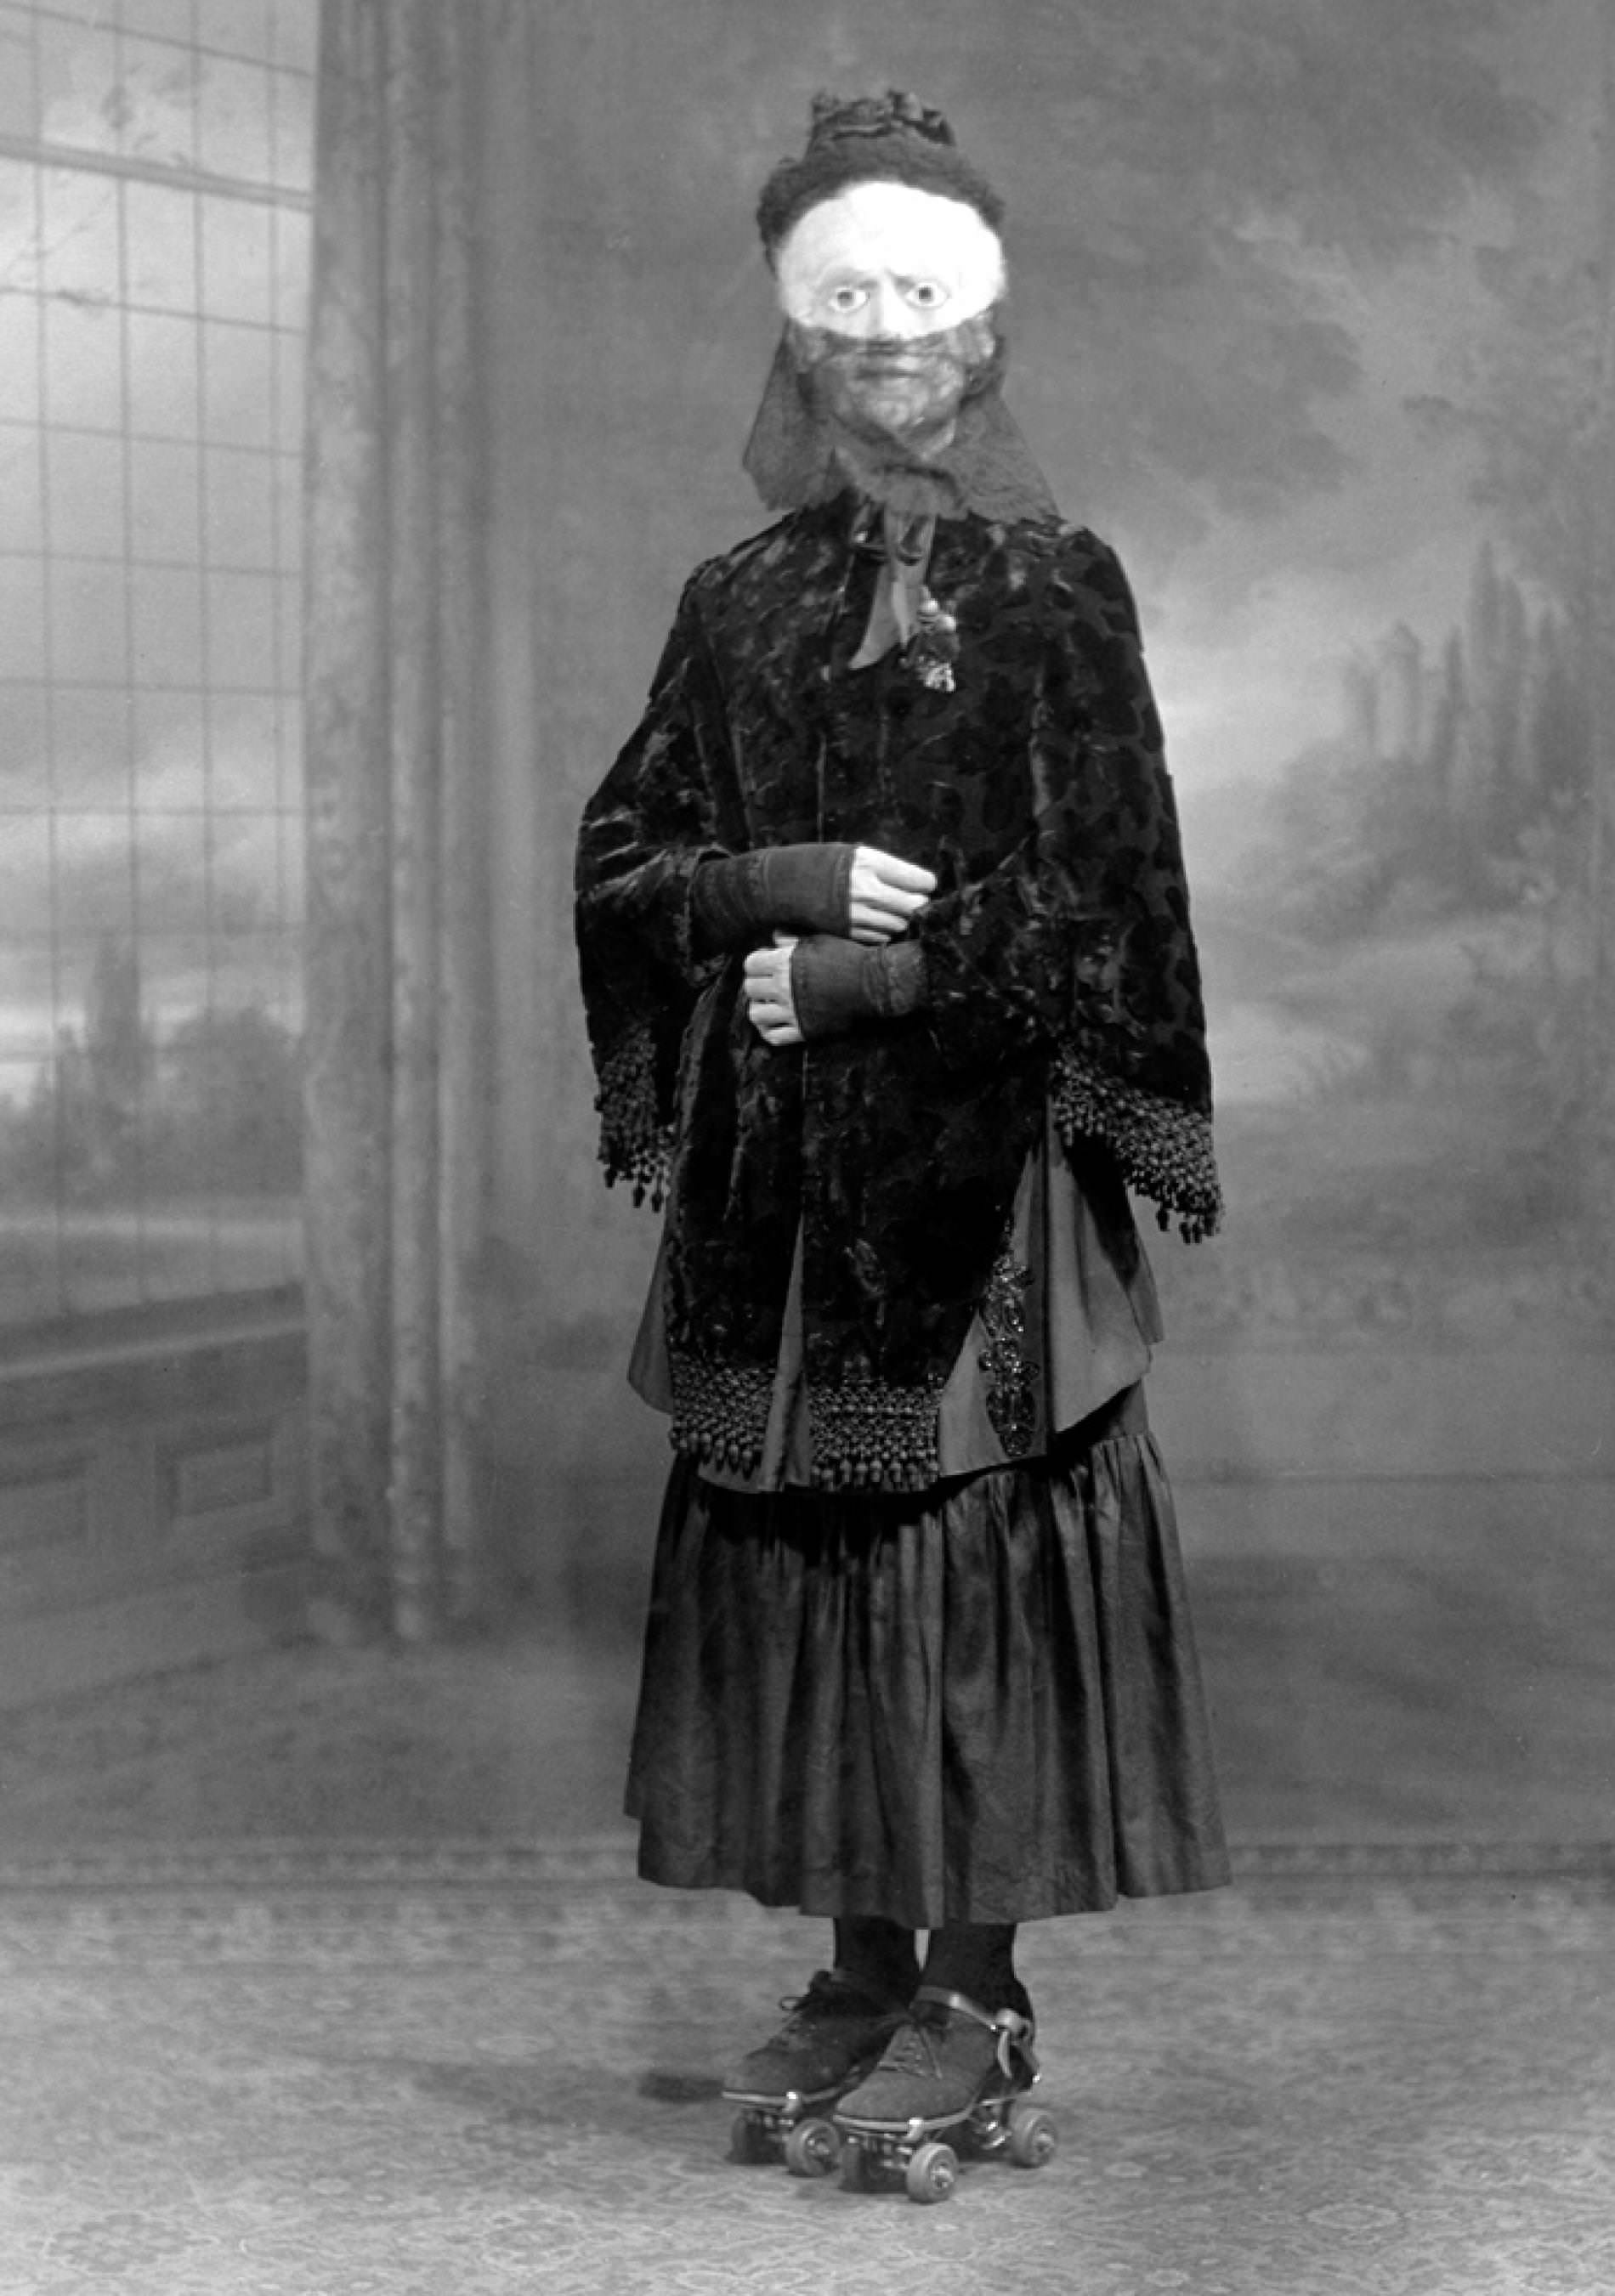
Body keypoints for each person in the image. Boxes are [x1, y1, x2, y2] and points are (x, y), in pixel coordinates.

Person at [575, 89, 1229, 2194]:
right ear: (789, 326)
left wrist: (869, 978)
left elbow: (1106, 899)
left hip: (980, 1184)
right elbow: (625, 861)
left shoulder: (1058, 589)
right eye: (840, 294)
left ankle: (976, 1983)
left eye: (918, 291)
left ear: (984, 319)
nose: (883, 332)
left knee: (955, 1566)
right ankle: (862, 1966)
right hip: (784, 1199)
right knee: (822, 1561)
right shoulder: (734, 598)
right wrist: (768, 882)